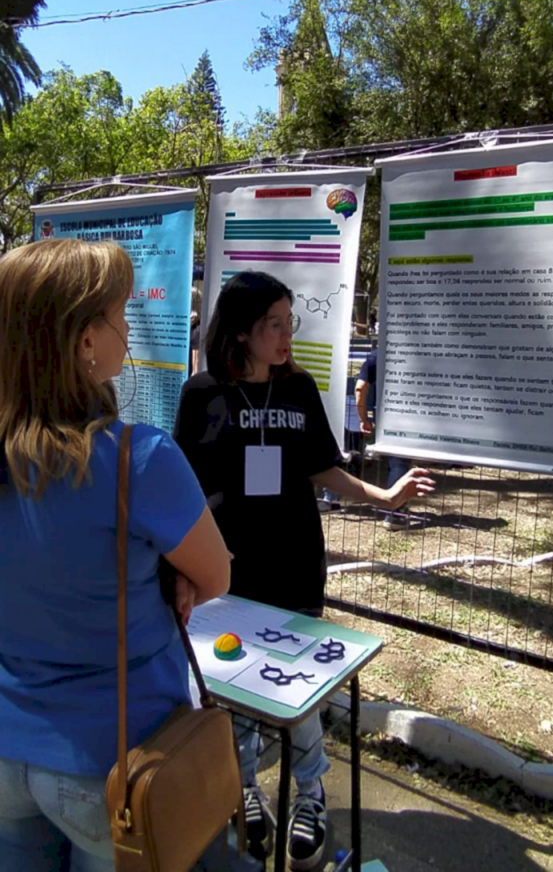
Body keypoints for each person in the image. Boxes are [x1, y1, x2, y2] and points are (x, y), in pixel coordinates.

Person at [173, 271, 435, 870]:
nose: (287, 335)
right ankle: (244, 788)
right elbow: (185, 488)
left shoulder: (299, 389)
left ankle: (310, 793)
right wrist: (190, 561)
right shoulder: (203, 393)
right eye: (274, 324)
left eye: (290, 322)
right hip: (230, 576)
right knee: (231, 689)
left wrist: (384, 496)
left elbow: (323, 468)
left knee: (300, 690)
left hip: (295, 568)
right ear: (240, 331)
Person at [0, 238, 233, 872]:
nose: (128, 328)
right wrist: (171, 577)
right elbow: (215, 575)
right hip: (114, 766)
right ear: (84, 343)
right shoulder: (142, 458)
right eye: (118, 313)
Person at [355, 347, 411, 530]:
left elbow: (360, 388)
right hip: (413, 413)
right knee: (399, 463)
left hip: (385, 414)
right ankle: (396, 513)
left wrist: (363, 418)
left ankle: (394, 509)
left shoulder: (376, 355)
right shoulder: (417, 351)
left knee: (394, 462)